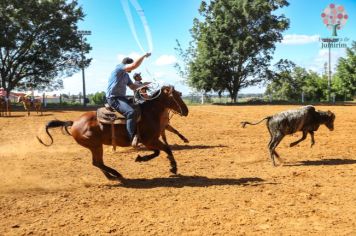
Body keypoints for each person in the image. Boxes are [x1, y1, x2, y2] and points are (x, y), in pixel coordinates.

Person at [106, 52, 151, 147]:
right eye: (130, 66)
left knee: (140, 107)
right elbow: (134, 66)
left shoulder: (126, 76)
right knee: (130, 112)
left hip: (122, 98)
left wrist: (144, 84)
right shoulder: (118, 68)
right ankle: (131, 139)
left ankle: (139, 134)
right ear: (126, 65)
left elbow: (133, 87)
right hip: (114, 98)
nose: (132, 69)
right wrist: (143, 56)